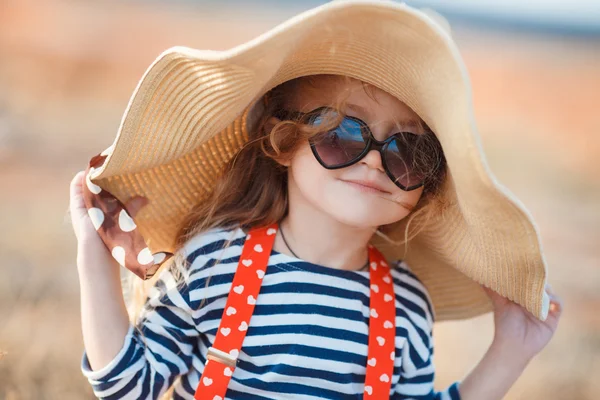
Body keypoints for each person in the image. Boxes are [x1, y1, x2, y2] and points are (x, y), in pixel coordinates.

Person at [69, 2, 562, 399]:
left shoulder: (406, 305)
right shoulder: (213, 262)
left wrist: (510, 352)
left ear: (423, 187)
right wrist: (93, 255)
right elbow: (126, 385)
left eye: (409, 150)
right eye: (343, 133)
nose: (373, 161)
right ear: (282, 142)